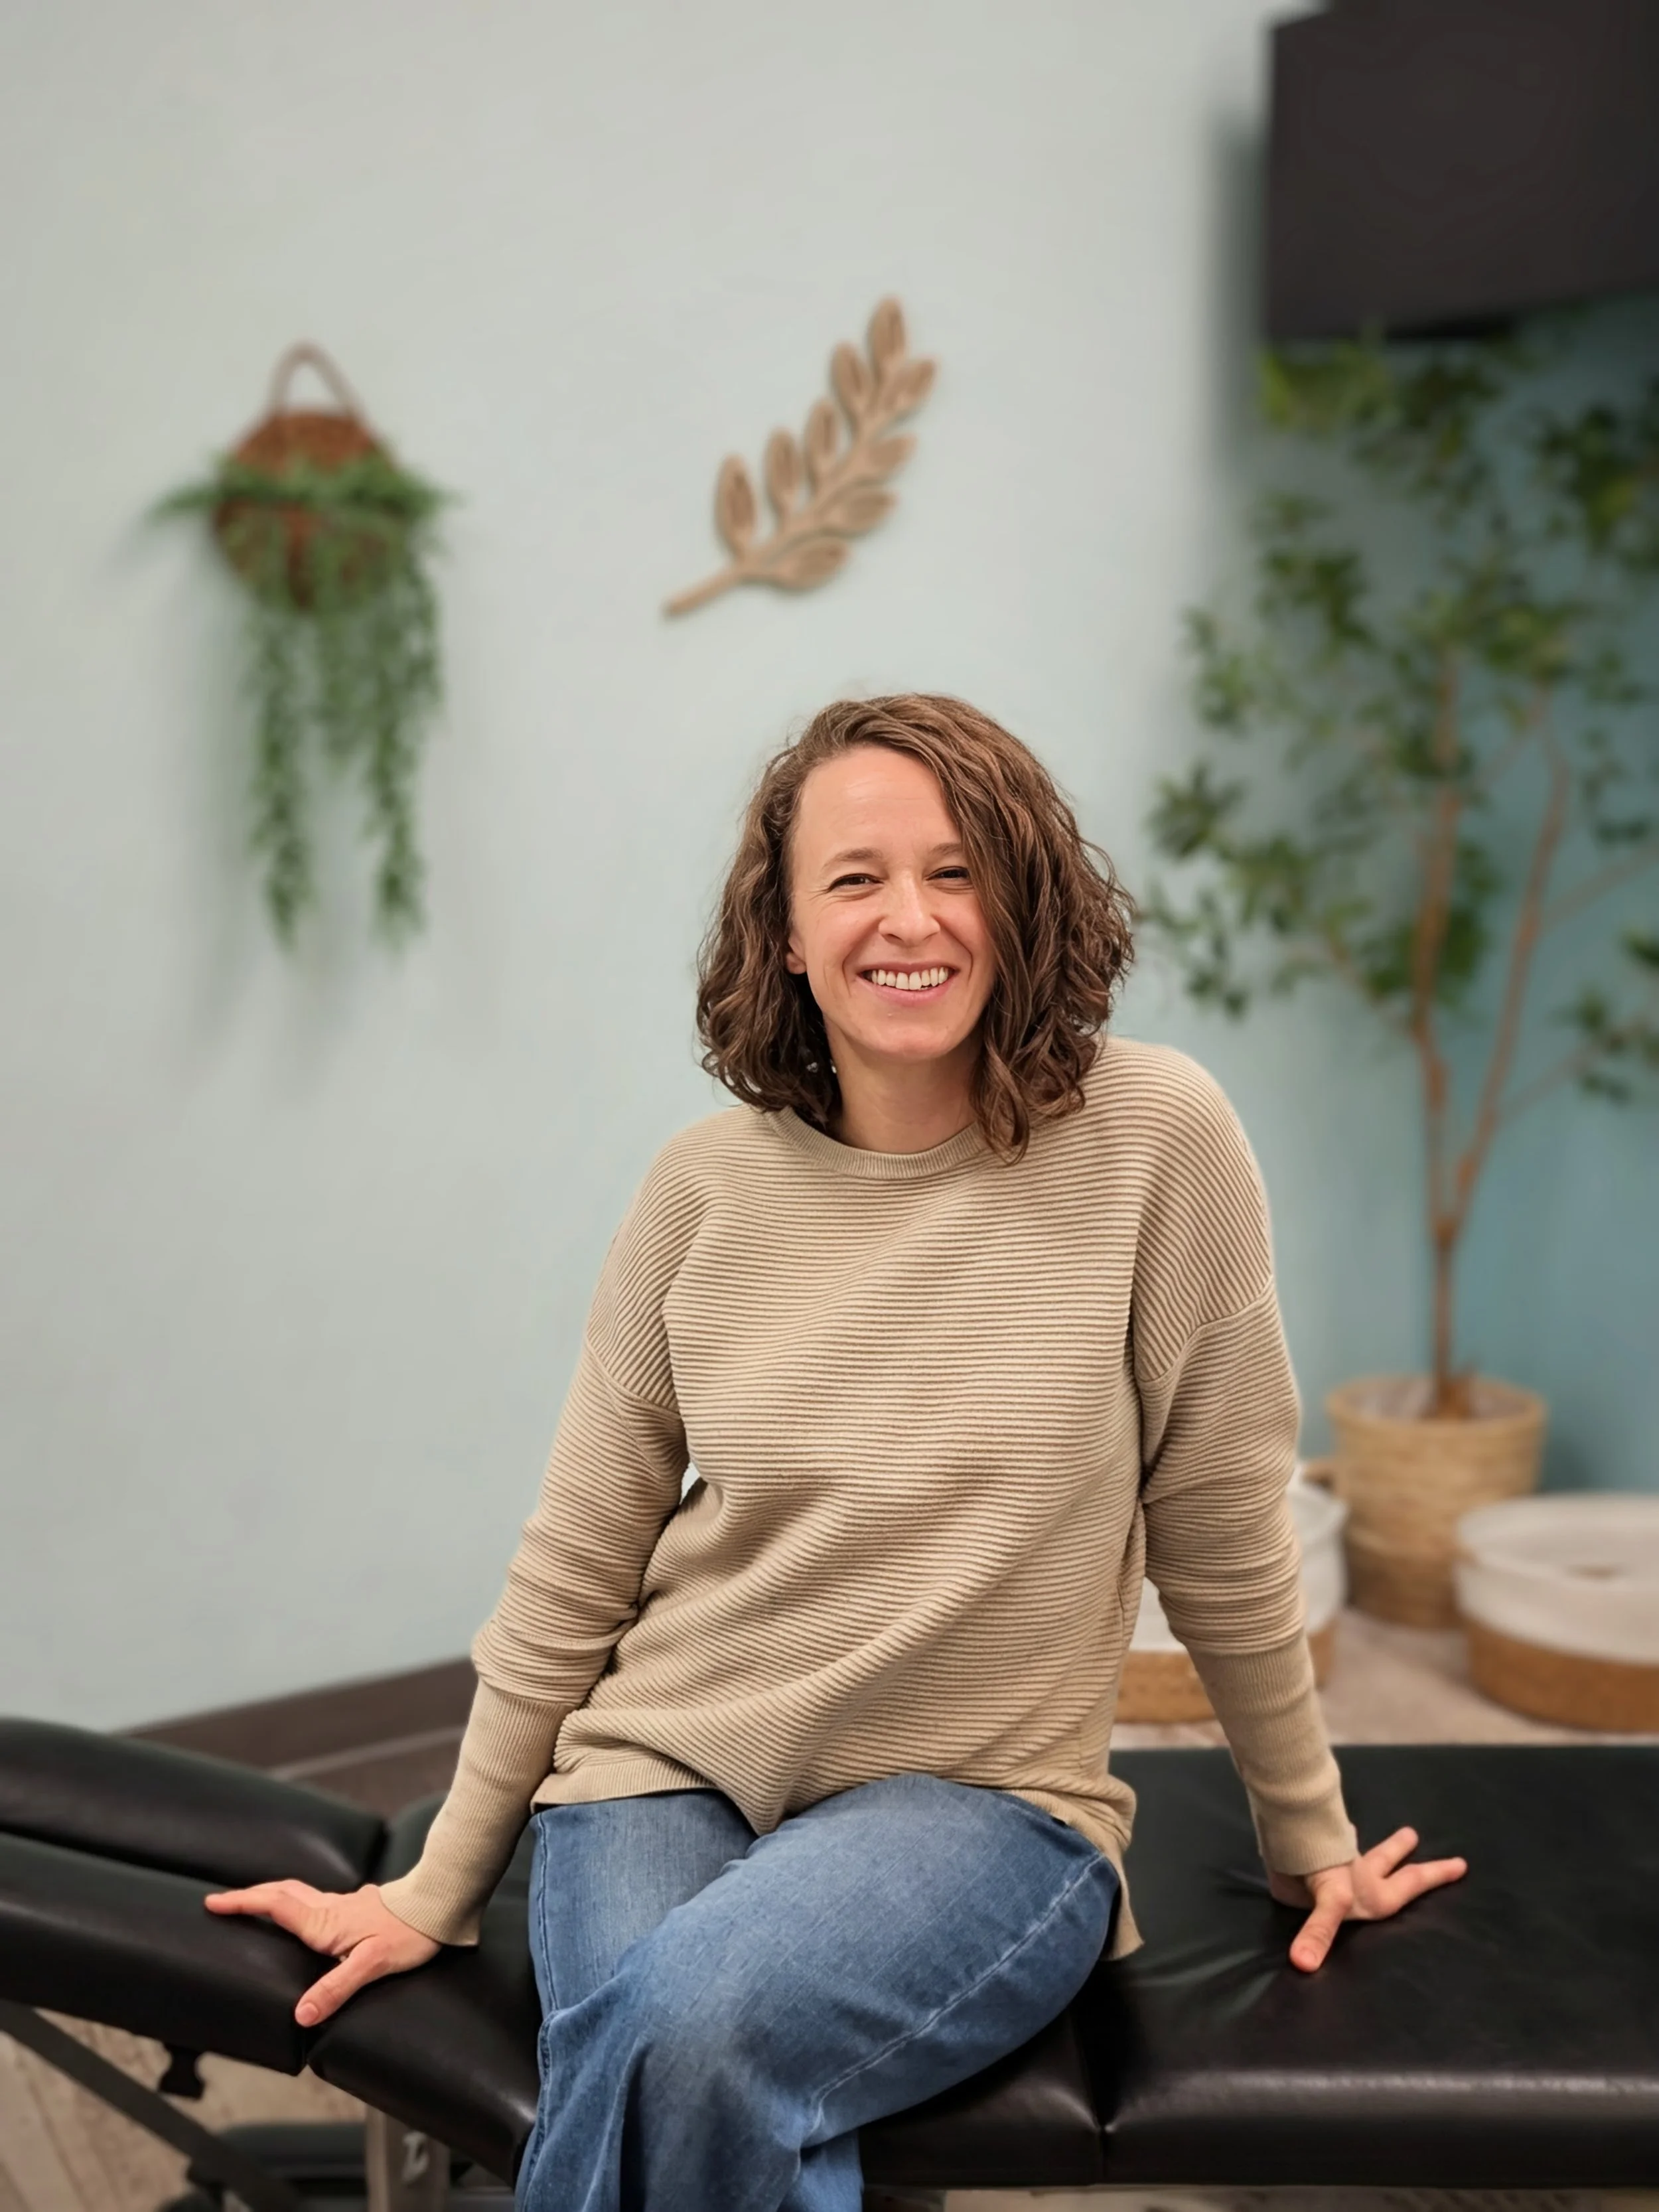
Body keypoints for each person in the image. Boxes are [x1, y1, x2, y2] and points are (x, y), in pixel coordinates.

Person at [207, 696, 1467, 2212]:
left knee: (689, 2032)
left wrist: (1303, 1835)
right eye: (854, 878)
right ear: (787, 934)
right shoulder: (701, 1188)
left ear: (1019, 899)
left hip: (983, 1800)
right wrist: (439, 1884)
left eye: (953, 869)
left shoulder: (1154, 1138)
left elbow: (1218, 1524)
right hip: (659, 1770)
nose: (907, 918)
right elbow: (578, 1558)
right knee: (702, 2085)